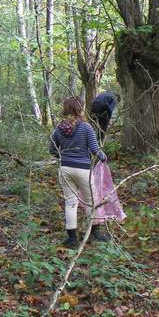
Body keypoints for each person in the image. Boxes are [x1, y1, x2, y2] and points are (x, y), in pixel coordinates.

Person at [50, 96, 109, 248]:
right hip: (83, 169)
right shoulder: (86, 127)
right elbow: (95, 149)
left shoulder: (58, 128)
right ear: (79, 109)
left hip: (65, 169)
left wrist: (63, 156)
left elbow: (52, 150)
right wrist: (103, 157)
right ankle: (93, 233)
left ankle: (72, 239)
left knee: (70, 203)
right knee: (91, 202)